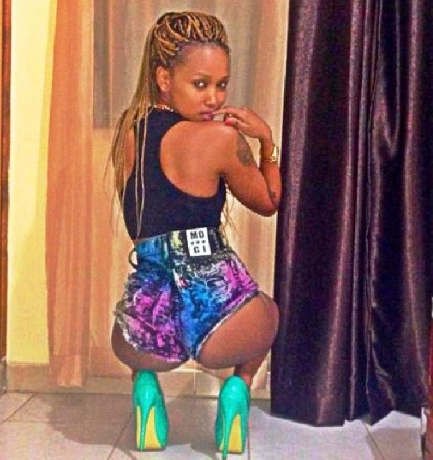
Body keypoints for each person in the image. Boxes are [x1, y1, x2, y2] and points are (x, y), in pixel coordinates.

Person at [110, 11, 281, 458]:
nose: (214, 98)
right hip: (220, 322)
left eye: (221, 85)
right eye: (201, 84)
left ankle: (146, 388)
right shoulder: (220, 139)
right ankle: (238, 390)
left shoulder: (128, 129)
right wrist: (267, 142)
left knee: (141, 333)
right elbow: (269, 201)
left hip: (144, 332)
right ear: (164, 78)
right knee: (269, 312)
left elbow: (136, 218)